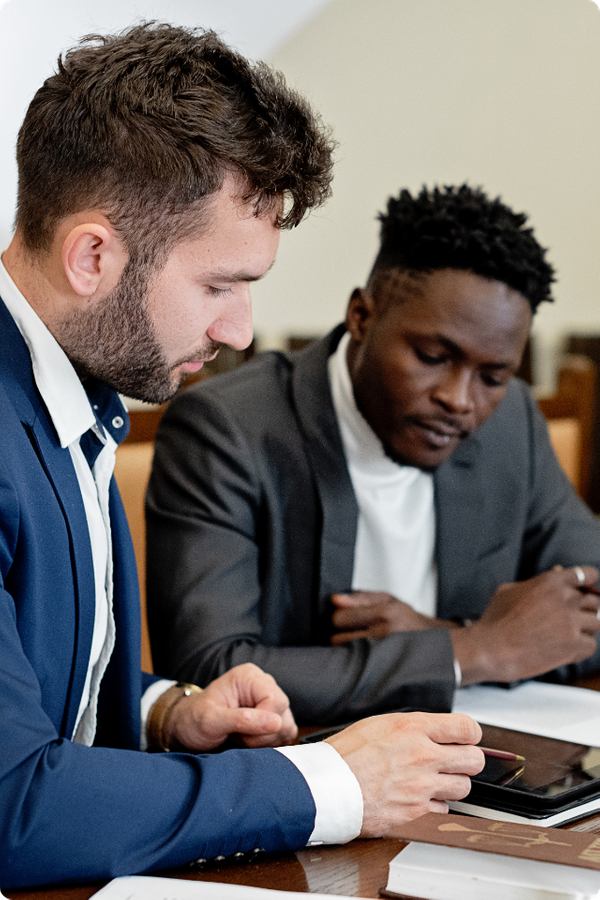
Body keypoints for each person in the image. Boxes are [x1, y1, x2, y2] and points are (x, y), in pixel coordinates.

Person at [0, 25, 485, 890]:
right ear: (93, 256)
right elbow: (10, 806)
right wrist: (331, 783)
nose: (241, 331)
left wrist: (166, 712)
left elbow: (32, 695)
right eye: (220, 285)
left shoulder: (72, 394)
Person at [147, 184, 600, 726]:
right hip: (307, 771)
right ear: (362, 315)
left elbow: (584, 609)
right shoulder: (226, 430)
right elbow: (209, 670)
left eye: (493, 376)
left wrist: (442, 637)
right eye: (432, 356)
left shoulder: (511, 423)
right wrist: (475, 651)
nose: (459, 400)